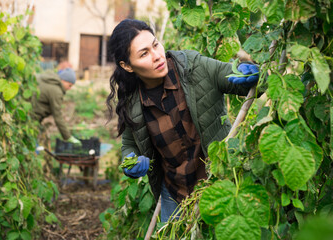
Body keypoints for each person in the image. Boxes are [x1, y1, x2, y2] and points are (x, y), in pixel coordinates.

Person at [106, 19, 259, 222]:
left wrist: (251, 74)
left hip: (218, 183)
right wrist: (131, 162)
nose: (157, 56)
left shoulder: (193, 68)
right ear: (127, 66)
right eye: (144, 54)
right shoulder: (132, 102)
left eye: (155, 45)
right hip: (174, 194)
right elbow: (129, 144)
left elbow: (231, 76)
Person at [32, 67, 82, 146]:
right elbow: (58, 116)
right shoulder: (56, 91)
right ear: (63, 80)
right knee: (33, 144)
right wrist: (68, 137)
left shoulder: (43, 78)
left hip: (26, 113)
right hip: (32, 118)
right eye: (69, 85)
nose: (69, 88)